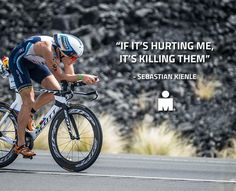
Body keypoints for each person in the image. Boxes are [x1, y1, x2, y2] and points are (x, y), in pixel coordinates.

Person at [9, 33, 98, 157]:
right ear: (63, 52)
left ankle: (29, 113)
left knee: (56, 89)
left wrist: (79, 81)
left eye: (76, 58)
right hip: (19, 60)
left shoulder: (65, 54)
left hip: (34, 62)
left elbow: (68, 78)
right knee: (28, 99)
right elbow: (61, 76)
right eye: (72, 57)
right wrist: (83, 76)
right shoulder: (47, 48)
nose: (74, 60)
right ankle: (20, 144)